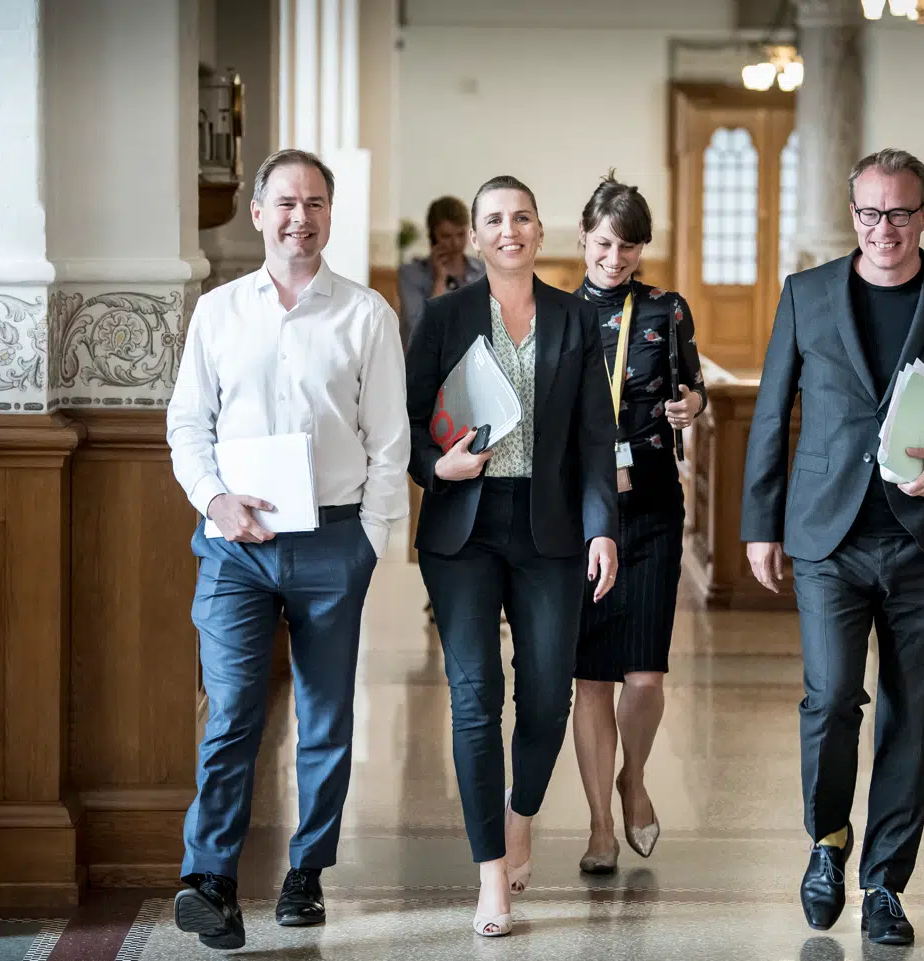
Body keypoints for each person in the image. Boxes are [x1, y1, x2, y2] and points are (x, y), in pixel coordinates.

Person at [741, 148, 924, 946]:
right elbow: (770, 411)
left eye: (897, 212)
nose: (882, 228)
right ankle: (827, 840)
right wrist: (761, 522)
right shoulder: (808, 294)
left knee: (910, 713)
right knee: (830, 700)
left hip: (922, 539)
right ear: (850, 212)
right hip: (828, 535)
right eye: (868, 212)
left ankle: (886, 881)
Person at [166, 149, 410, 951]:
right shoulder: (219, 312)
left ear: (328, 215)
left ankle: (306, 869)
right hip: (234, 547)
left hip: (332, 540)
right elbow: (186, 424)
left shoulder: (366, 315)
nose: (299, 217)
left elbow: (389, 443)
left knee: (325, 716)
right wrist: (214, 500)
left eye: (314, 203)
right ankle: (211, 878)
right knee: (233, 708)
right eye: (285, 203)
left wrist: (367, 546)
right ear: (258, 214)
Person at [404, 174, 619, 937]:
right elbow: (408, 422)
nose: (509, 230)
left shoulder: (573, 316)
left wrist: (603, 527)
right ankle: (491, 872)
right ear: (474, 231)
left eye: (521, 216)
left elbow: (597, 434)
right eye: (493, 219)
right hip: (462, 528)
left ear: (539, 228)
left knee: (546, 694)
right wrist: (438, 468)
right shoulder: (443, 315)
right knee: (474, 698)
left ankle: (521, 811)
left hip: (551, 528)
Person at [569, 174, 705, 875]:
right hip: (582, 515)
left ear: (642, 249)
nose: (613, 258)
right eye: (602, 243)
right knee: (590, 678)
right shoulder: (557, 314)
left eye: (627, 246)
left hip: (651, 505)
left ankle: (635, 777)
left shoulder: (666, 309)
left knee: (645, 677)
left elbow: (691, 386)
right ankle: (598, 824)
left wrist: (691, 409)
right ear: (583, 239)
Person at [396, 196, 486, 349]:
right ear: (432, 237)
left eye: (460, 234)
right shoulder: (410, 274)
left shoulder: (482, 271)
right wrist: (440, 280)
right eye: (446, 236)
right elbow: (418, 330)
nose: (455, 243)